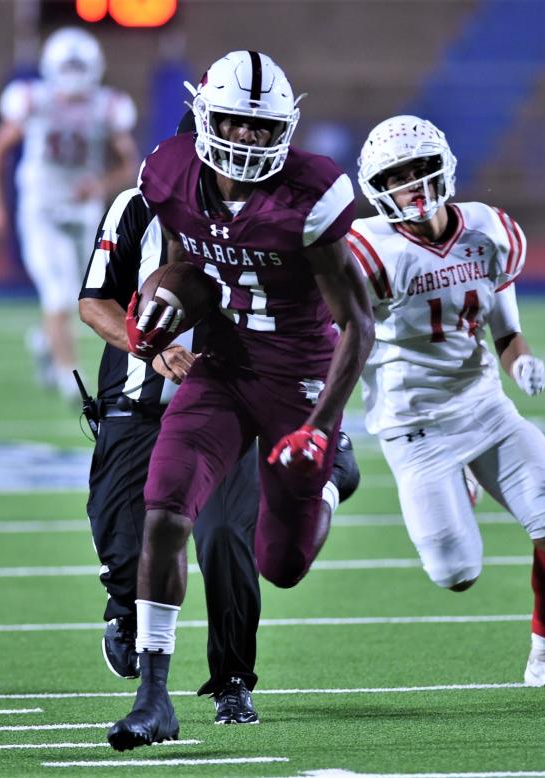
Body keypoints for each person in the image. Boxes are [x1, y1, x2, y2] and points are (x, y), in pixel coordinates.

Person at [106, 51, 374, 751]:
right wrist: (159, 305)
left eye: (262, 128)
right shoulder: (170, 173)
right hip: (221, 365)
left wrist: (319, 428)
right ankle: (154, 698)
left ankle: (332, 474)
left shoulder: (310, 193)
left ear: (284, 128)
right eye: (234, 123)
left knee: (279, 565)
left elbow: (359, 324)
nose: (249, 139)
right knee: (165, 504)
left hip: (298, 374)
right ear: (204, 116)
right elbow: (180, 261)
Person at [78, 171, 361, 723]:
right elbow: (95, 302)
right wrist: (148, 349)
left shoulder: (278, 214)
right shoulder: (138, 206)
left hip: (227, 397)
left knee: (227, 537)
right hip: (137, 402)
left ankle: (232, 678)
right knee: (126, 541)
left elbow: (327, 321)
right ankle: (128, 610)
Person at [350, 115, 545, 690]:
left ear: (443, 167)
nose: (412, 182)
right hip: (414, 426)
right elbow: (341, 342)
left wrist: (521, 360)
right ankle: (460, 483)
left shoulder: (490, 231)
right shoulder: (367, 251)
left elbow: (506, 331)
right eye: (397, 175)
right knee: (456, 574)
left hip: (485, 406)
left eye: (420, 169)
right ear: (377, 185)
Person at [0, 27, 139, 401]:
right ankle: (68, 375)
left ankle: (44, 341)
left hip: (82, 210)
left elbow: (129, 163)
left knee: (76, 294)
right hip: (41, 208)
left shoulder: (106, 105)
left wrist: (100, 185)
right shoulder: (33, 99)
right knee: (56, 292)